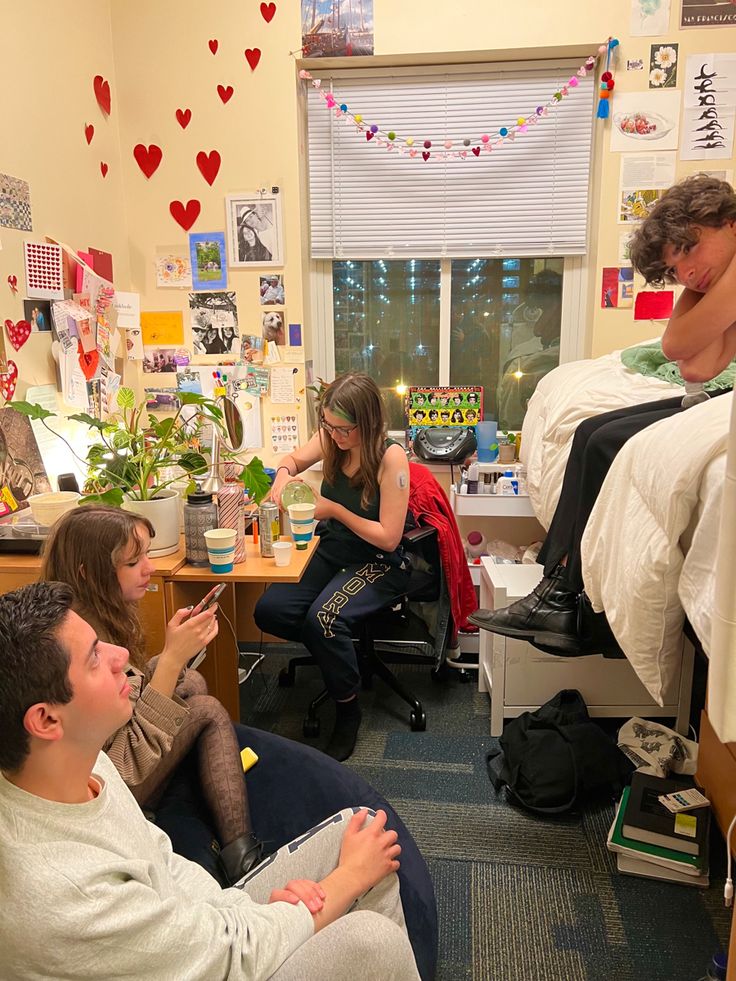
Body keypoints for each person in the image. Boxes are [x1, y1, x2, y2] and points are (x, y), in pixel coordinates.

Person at [0, 581, 421, 981]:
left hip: (198, 933)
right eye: (94, 657)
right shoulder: (64, 894)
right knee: (372, 939)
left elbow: (163, 860)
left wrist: (255, 912)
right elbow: (224, 954)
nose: (120, 655)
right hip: (203, 954)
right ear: (46, 719)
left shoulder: (82, 764)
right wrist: (344, 882)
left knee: (364, 829)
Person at [470, 174, 736, 653]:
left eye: (689, 249)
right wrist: (705, 281)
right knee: (591, 430)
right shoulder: (716, 280)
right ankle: (558, 590)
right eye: (674, 270)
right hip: (720, 385)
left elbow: (680, 347)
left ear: (728, 223)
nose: (686, 273)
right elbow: (695, 361)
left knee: (612, 440)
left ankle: (567, 602)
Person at [41, 506, 265, 884]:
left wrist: (176, 658)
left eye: (146, 554)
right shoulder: (74, 647)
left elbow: (130, 687)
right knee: (207, 709)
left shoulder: (90, 614)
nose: (148, 568)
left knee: (190, 683)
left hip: (105, 755)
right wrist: (174, 657)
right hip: (108, 782)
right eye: (133, 562)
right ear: (89, 573)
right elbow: (121, 763)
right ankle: (243, 860)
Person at [254, 372, 411, 762]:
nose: (335, 435)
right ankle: (338, 658)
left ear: (369, 421)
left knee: (323, 619)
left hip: (378, 560)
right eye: (329, 425)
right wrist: (284, 475)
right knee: (269, 610)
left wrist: (336, 510)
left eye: (344, 429)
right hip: (334, 550)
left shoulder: (391, 457)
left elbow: (389, 537)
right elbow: (291, 459)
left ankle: (347, 707)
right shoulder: (331, 439)